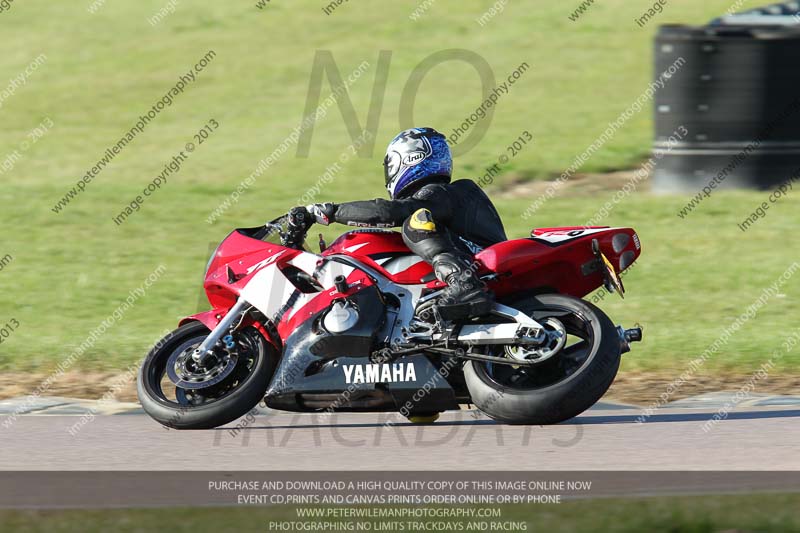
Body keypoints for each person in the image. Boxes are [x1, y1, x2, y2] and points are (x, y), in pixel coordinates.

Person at [297, 127, 507, 320]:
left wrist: (330, 212)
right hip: (484, 264)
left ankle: (463, 283)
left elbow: (389, 212)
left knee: (415, 223)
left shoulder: (440, 193)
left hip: (481, 267)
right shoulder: (451, 197)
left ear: (410, 159)